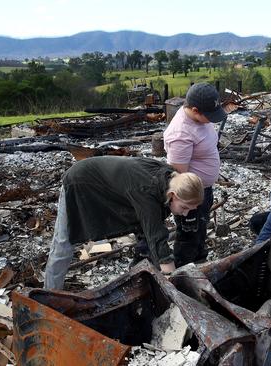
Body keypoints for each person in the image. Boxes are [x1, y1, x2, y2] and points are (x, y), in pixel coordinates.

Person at [44, 156, 204, 290]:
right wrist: (171, 278)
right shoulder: (147, 190)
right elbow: (156, 234)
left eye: (191, 209)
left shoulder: (170, 178)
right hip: (79, 183)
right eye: (184, 207)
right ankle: (49, 295)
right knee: (63, 244)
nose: (185, 213)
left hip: (108, 185)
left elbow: (151, 227)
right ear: (172, 195)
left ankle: (143, 278)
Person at [163, 82, 226, 267]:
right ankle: (184, 269)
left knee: (200, 229)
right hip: (190, 195)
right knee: (188, 233)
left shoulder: (198, 120)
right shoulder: (180, 133)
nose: (213, 120)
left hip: (203, 189)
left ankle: (200, 261)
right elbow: (179, 175)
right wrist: (190, 205)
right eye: (210, 116)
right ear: (195, 110)